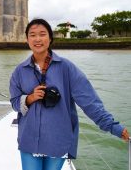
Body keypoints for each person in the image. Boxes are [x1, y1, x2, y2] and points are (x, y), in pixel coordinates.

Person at [9, 18, 130, 170]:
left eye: (42, 34)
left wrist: (114, 127)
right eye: (32, 35)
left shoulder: (67, 68)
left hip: (58, 140)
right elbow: (14, 102)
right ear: (27, 39)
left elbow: (90, 102)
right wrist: (30, 98)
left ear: (50, 38)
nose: (38, 39)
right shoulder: (19, 71)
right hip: (29, 140)